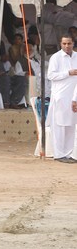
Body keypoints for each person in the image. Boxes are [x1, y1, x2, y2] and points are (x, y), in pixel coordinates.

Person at [47, 36, 77, 164]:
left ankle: (68, 153)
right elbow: (51, 75)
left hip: (74, 96)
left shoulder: (76, 56)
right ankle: (58, 153)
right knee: (59, 125)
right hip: (60, 96)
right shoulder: (56, 57)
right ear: (60, 44)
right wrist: (68, 73)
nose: (67, 46)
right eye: (64, 43)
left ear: (73, 43)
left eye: (69, 43)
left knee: (71, 125)